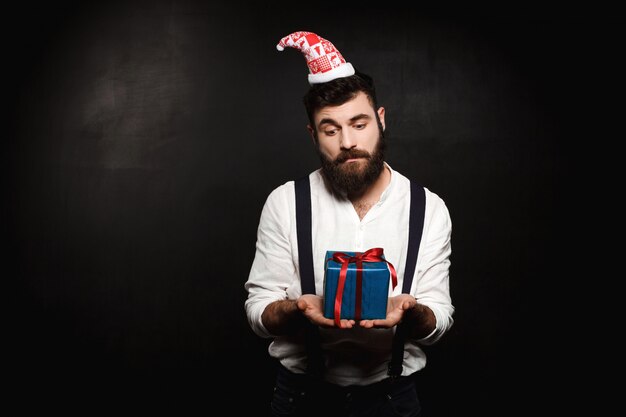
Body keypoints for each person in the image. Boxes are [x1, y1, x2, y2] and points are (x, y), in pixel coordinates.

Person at [244, 31, 454, 417]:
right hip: (301, 398)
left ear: (380, 120)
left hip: (393, 398)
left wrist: (411, 312)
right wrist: (298, 308)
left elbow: (439, 319)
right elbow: (259, 312)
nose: (347, 142)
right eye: (331, 129)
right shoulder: (286, 203)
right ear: (314, 135)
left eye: (359, 124)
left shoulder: (429, 208)